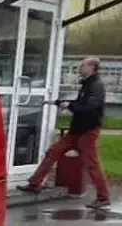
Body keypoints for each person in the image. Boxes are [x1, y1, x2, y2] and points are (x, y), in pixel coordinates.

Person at [17, 57, 111, 209]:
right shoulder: (87, 84)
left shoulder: (96, 86)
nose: (80, 68)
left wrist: (70, 106)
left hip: (88, 131)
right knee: (53, 152)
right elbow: (81, 104)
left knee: (92, 164)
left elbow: (89, 109)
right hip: (76, 130)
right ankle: (35, 183)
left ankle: (103, 197)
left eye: (83, 65)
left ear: (92, 67)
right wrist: (62, 103)